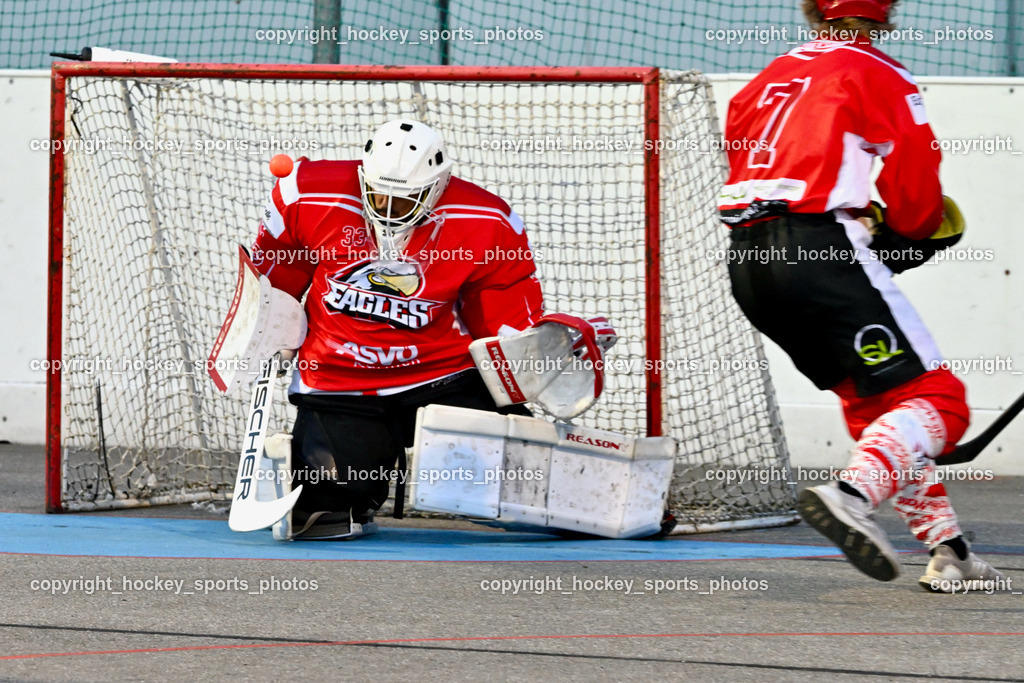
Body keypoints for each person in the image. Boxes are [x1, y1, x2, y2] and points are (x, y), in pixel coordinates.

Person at [718, 0, 1005, 590]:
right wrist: (910, 230)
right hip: (820, 248)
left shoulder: (767, 78)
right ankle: (850, 495)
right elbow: (916, 197)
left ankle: (949, 550)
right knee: (941, 401)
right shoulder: (878, 71)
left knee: (881, 408)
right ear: (885, 12)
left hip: (749, 264)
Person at [250, 119, 543, 539]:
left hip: (442, 375)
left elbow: (501, 311)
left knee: (527, 479)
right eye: (379, 194)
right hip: (338, 379)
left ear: (438, 187)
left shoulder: (487, 219)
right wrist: (273, 324)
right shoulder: (305, 193)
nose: (388, 209)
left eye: (404, 199)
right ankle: (334, 486)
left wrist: (529, 355)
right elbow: (278, 270)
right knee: (320, 516)